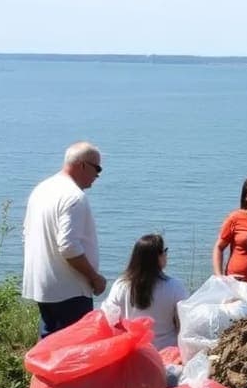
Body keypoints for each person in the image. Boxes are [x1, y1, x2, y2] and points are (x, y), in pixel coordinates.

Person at [22, 142, 105, 338]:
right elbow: (68, 246)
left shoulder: (42, 189)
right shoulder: (74, 196)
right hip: (70, 290)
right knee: (73, 351)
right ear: (82, 165)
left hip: (43, 285)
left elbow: (26, 234)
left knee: (49, 348)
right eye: (97, 168)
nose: (98, 175)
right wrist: (94, 277)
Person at [101, 234, 189, 349]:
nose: (166, 255)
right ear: (158, 257)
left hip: (133, 351)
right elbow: (185, 323)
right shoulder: (175, 286)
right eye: (164, 251)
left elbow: (110, 321)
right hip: (166, 350)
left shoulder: (120, 285)